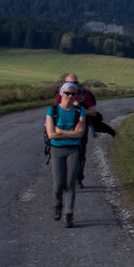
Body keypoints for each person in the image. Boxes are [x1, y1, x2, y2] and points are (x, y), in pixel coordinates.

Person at [46, 82, 86, 228]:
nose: (70, 96)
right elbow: (51, 135)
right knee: (58, 184)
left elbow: (80, 134)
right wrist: (72, 133)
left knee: (70, 184)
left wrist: (61, 132)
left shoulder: (79, 111)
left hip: (73, 150)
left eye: (72, 94)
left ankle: (69, 214)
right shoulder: (52, 111)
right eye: (67, 93)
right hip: (56, 150)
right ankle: (58, 204)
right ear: (61, 94)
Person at [52, 74, 102, 187]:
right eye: (69, 83)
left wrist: (79, 109)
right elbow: (55, 111)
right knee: (61, 152)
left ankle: (78, 178)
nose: (73, 85)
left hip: (80, 129)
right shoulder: (60, 94)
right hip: (63, 128)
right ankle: (63, 178)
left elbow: (93, 112)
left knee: (80, 153)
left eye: (75, 83)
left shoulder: (85, 94)